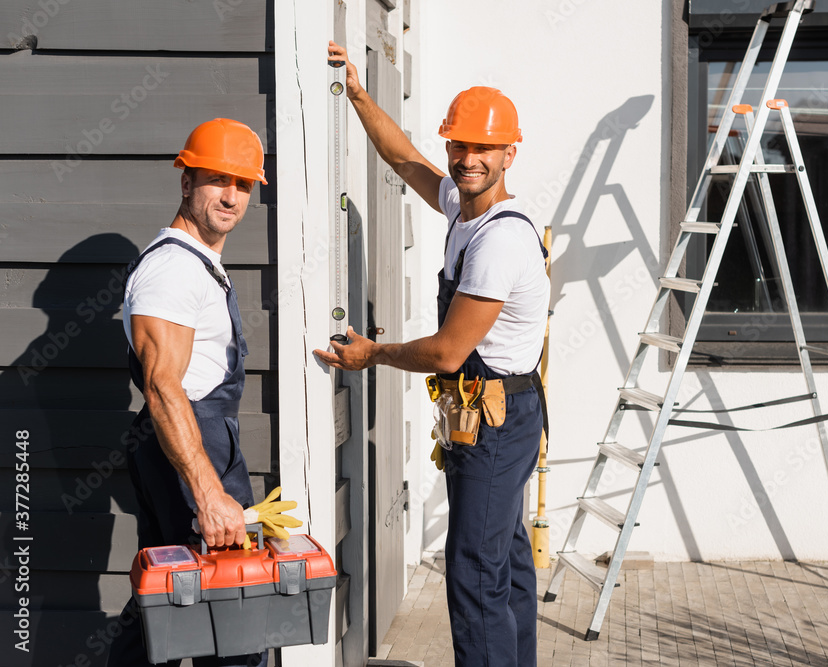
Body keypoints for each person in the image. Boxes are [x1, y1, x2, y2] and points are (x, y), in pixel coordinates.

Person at [316, 43, 549, 666]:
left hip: (496, 420)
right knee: (505, 559)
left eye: (482, 149)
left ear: (508, 154)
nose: (466, 159)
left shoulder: (500, 238)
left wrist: (372, 355)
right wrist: (358, 96)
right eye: (459, 146)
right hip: (493, 413)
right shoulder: (463, 206)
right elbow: (404, 158)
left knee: (475, 573)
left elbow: (448, 352)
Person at [107, 118, 268, 667]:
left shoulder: (197, 263)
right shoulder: (174, 269)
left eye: (243, 184)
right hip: (190, 456)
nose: (230, 195)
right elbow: (160, 384)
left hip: (192, 446)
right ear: (186, 182)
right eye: (217, 180)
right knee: (232, 626)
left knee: (170, 614)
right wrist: (207, 492)